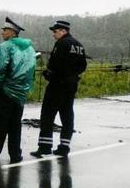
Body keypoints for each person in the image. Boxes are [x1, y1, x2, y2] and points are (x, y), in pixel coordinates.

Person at [0, 17, 37, 164]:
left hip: (4, 91)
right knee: (15, 125)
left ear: (12, 32)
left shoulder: (5, 46)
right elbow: (31, 70)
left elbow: (0, 68)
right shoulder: (29, 48)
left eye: (5, 30)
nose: (2, 32)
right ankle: (15, 154)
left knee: (0, 124)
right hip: (20, 92)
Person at [30, 20, 87, 158]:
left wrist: (49, 73)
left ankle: (44, 147)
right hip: (72, 84)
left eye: (55, 32)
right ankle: (64, 147)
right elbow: (83, 66)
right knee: (67, 115)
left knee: (47, 115)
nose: (53, 35)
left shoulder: (61, 44)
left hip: (58, 84)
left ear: (63, 31)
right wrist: (72, 74)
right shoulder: (79, 45)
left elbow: (55, 63)